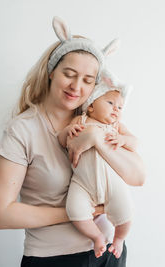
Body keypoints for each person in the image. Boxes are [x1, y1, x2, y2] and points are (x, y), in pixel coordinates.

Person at [0, 16, 145, 267]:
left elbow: (138, 177)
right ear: (51, 72)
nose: (76, 87)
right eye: (69, 74)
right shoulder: (23, 130)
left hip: (107, 256)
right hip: (53, 259)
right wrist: (80, 214)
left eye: (87, 80)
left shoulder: (100, 118)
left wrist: (95, 138)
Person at [58, 69, 136, 259]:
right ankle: (97, 236)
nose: (116, 110)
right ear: (91, 105)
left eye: (120, 107)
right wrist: (69, 130)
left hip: (112, 182)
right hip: (83, 183)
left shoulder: (116, 128)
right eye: (110, 103)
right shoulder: (81, 120)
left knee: (127, 215)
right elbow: (61, 140)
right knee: (74, 211)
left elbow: (135, 143)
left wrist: (123, 139)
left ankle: (118, 238)